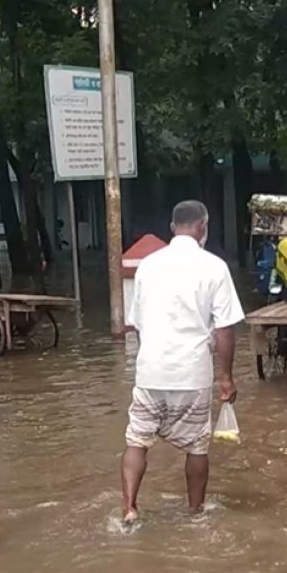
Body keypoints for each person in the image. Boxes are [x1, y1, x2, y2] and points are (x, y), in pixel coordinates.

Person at [121, 200, 244, 524]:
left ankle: (130, 508)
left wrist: (147, 362)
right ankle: (195, 512)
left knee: (137, 440)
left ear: (173, 228)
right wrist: (226, 378)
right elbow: (225, 328)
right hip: (192, 374)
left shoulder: (148, 266)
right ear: (203, 227)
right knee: (197, 446)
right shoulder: (214, 267)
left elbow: (136, 324)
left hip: (150, 371)